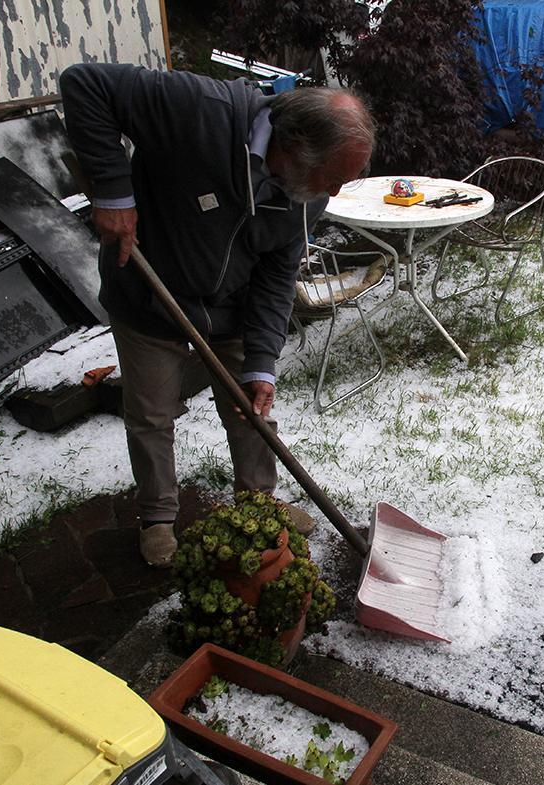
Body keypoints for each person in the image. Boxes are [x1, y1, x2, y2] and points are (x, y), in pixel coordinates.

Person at [59, 63, 375, 567]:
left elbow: (276, 280)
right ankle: (158, 517)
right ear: (294, 145)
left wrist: (261, 365)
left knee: (251, 409)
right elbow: (85, 84)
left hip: (229, 306)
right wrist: (114, 194)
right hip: (150, 292)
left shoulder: (305, 196)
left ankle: (259, 502)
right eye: (333, 178)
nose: (333, 193)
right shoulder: (202, 111)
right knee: (152, 414)